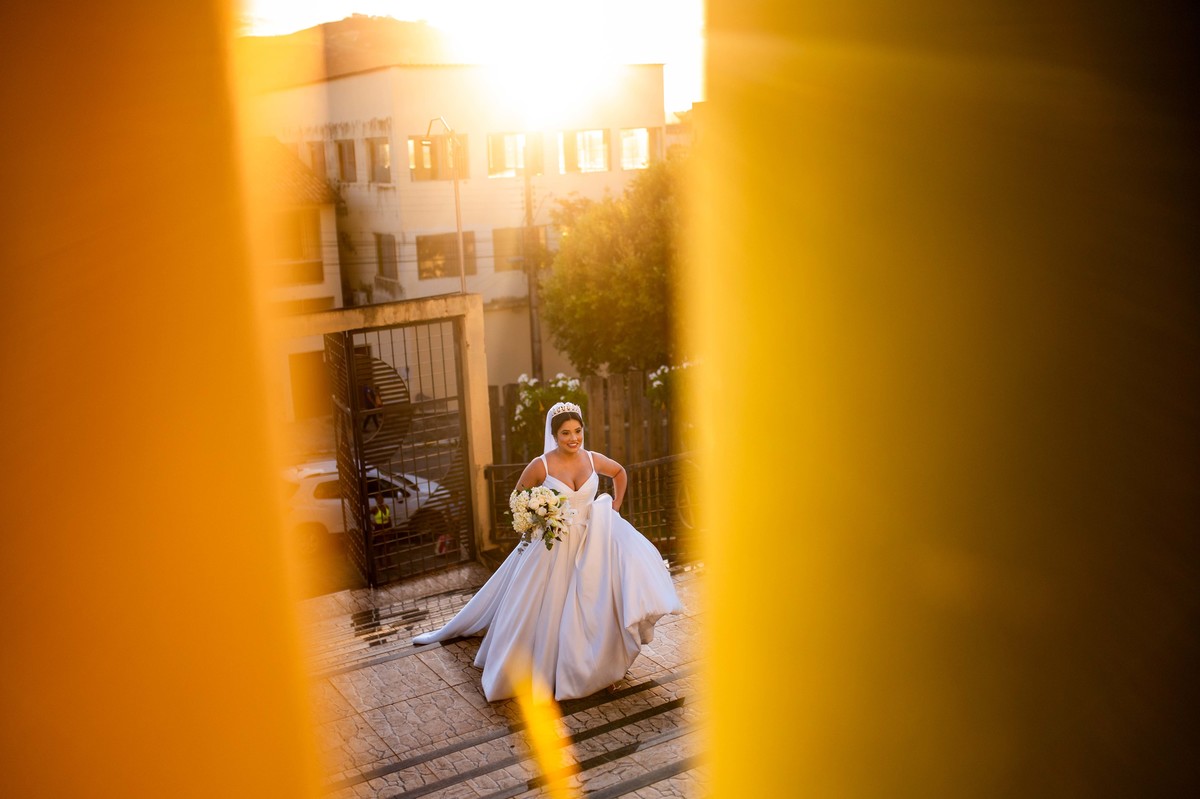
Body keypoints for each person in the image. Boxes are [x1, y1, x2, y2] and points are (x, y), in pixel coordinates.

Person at [413, 401, 682, 701]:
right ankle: (554, 667)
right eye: (566, 433)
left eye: (577, 431)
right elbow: (518, 498)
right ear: (554, 436)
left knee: (597, 604)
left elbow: (619, 472)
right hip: (556, 543)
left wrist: (614, 508)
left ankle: (602, 667)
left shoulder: (592, 458)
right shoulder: (540, 465)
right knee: (554, 608)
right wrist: (541, 515)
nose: (573, 438)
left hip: (593, 541)